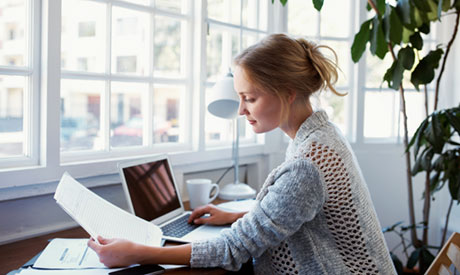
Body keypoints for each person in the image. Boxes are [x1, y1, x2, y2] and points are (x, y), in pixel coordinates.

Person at [88, 33, 396, 274]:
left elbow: (233, 250)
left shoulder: (307, 164)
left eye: (249, 97)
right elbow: (299, 213)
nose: (241, 110)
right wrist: (237, 215)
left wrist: (137, 252)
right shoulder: (322, 135)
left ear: (287, 92)